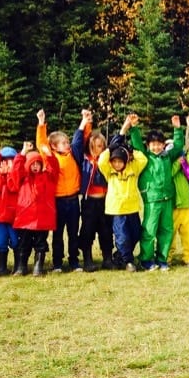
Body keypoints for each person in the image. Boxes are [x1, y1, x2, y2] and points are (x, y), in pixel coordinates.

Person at [128, 113, 187, 271]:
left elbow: (178, 146)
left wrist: (177, 129)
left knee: (166, 230)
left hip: (167, 199)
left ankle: (162, 259)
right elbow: (136, 144)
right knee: (149, 230)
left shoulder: (167, 156)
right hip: (152, 199)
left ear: (163, 145)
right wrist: (133, 128)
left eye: (159, 144)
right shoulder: (145, 156)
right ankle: (146, 259)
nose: (156, 147)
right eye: (153, 144)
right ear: (148, 145)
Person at [35, 109, 82, 273]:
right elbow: (41, 144)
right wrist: (41, 123)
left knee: (73, 233)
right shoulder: (50, 158)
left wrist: (85, 121)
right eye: (63, 143)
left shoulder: (73, 155)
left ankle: (74, 261)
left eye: (67, 142)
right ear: (54, 146)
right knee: (58, 234)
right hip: (58, 201)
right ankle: (57, 263)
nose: (67, 144)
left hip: (74, 200)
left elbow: (81, 138)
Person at [98, 130, 148, 272]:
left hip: (132, 209)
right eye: (114, 161)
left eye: (120, 161)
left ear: (126, 161)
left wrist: (132, 150)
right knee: (122, 237)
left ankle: (120, 256)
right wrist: (111, 148)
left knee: (136, 234)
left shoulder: (133, 169)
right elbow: (101, 160)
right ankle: (128, 261)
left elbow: (143, 159)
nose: (117, 164)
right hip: (117, 211)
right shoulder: (109, 172)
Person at [10, 141, 59, 276]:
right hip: (26, 217)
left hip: (43, 218)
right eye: (32, 164)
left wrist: (49, 155)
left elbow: (54, 169)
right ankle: (22, 266)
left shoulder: (48, 177)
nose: (35, 166)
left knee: (40, 243)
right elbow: (15, 170)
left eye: (38, 163)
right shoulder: (23, 178)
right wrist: (23, 153)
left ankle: (38, 266)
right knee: (23, 243)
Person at [73, 110, 113, 271]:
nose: (100, 149)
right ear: (90, 146)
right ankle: (87, 259)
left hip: (105, 200)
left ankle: (108, 258)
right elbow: (76, 144)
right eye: (96, 146)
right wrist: (84, 122)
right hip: (89, 201)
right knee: (87, 230)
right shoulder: (84, 159)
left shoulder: (107, 160)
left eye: (102, 146)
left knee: (106, 230)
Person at [0, 146, 19, 276]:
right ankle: (2, 267)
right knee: (0, 241)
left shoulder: (18, 175)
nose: (7, 163)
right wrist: (2, 174)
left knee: (16, 242)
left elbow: (14, 187)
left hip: (14, 217)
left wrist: (10, 174)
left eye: (11, 160)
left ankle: (19, 266)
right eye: (4, 160)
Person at [170, 151, 189, 267]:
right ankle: (167, 257)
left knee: (187, 234)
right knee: (170, 234)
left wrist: (188, 157)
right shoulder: (169, 167)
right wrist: (177, 163)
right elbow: (170, 173)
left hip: (186, 206)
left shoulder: (184, 168)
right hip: (173, 207)